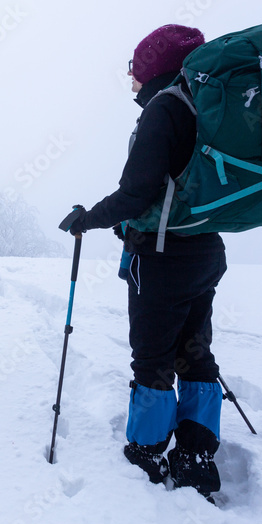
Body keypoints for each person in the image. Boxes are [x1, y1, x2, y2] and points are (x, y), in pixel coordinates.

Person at [65, 24, 226, 499]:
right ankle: (197, 453)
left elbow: (137, 193)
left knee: (154, 360)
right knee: (195, 351)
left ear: (154, 68)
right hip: (204, 253)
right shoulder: (203, 105)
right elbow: (173, 190)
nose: (132, 80)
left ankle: (148, 452)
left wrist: (87, 219)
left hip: (161, 260)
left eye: (136, 69)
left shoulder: (165, 108)